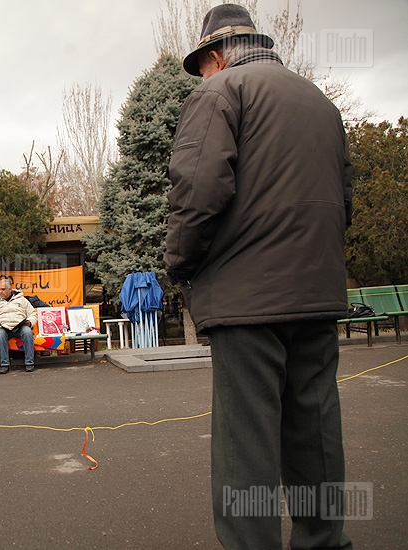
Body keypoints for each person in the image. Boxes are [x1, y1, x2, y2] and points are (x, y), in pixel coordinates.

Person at [163, 5, 353, 549]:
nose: (202, 75)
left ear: (215, 56)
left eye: (202, 65)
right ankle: (325, 541)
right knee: (314, 431)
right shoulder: (321, 103)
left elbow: (197, 193)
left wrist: (180, 264)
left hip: (248, 303)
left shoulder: (220, 93)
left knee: (247, 445)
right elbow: (344, 203)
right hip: (316, 293)